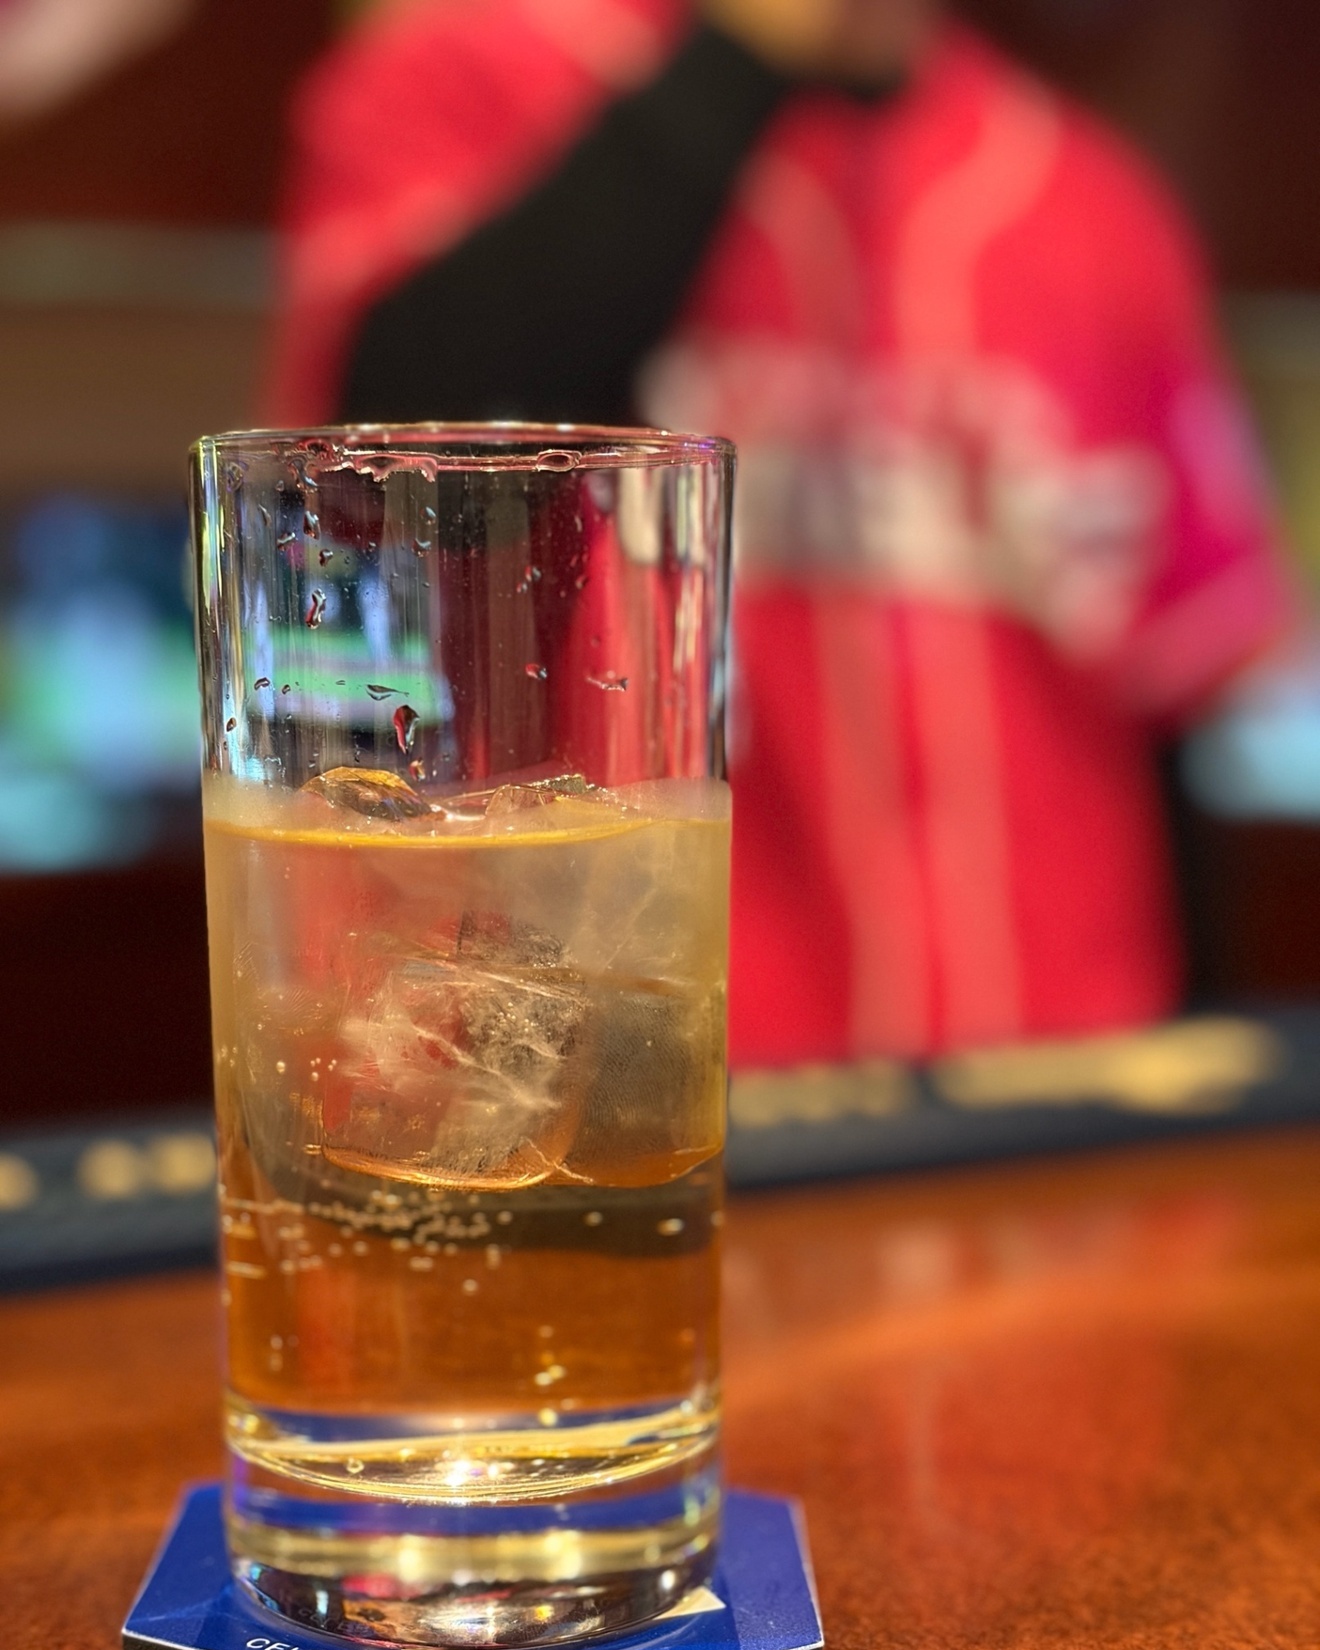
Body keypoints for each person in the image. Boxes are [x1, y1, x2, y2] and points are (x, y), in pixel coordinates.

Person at [267, 0, 1297, 1069]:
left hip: (1063, 1094)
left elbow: (1162, 703)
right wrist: (750, 48)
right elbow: (388, 473)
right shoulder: (476, 71)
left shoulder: (1092, 200)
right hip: (630, 1100)